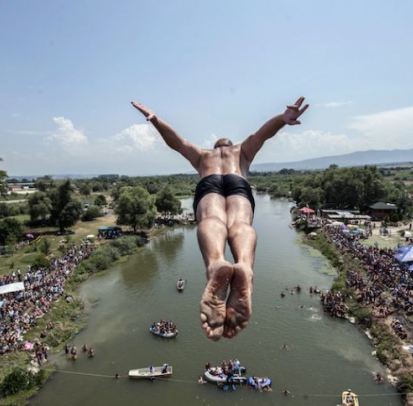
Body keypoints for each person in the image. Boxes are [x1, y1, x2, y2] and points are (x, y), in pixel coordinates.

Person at [132, 97, 309, 340]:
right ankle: (245, 265)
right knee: (240, 224)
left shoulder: (204, 156)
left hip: (209, 181)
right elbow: (263, 134)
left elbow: (177, 143)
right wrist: (282, 119)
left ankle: (216, 263)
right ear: (228, 145)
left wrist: (156, 121)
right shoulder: (241, 151)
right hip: (239, 182)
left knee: (211, 219)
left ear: (215, 146)